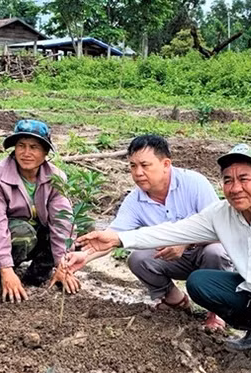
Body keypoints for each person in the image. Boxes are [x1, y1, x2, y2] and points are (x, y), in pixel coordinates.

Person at [76, 144, 251, 373]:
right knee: (201, 283)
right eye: (228, 180)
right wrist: (118, 239)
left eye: (244, 179)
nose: (235, 188)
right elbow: (172, 231)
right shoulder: (221, 214)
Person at [64, 135, 231, 327]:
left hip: (204, 254)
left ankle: (216, 311)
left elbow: (220, 229)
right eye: (133, 166)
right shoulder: (135, 200)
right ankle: (175, 300)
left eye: (145, 165)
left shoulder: (194, 184)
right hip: (170, 259)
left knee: (216, 252)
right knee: (138, 258)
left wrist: (186, 243)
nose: (138, 173)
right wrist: (83, 256)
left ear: (166, 164)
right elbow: (112, 237)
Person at [0, 120, 79, 303]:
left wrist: (63, 264)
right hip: (4, 239)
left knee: (81, 228)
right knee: (23, 232)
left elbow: (62, 221)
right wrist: (5, 268)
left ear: (45, 152)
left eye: (34, 147)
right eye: (21, 146)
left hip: (37, 236)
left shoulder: (56, 178)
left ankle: (37, 275)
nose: (26, 153)